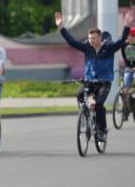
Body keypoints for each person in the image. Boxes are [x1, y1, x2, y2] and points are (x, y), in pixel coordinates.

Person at [55, 12, 132, 140]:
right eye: (89, 38)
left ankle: (102, 131)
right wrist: (61, 26)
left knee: (99, 104)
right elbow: (72, 41)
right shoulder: (87, 47)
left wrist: (127, 25)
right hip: (89, 81)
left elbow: (121, 40)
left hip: (104, 82)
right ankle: (85, 115)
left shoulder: (109, 48)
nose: (91, 41)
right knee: (80, 95)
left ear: (100, 38)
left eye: (94, 38)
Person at [120, 28, 135, 113]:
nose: (127, 38)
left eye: (128, 36)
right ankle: (125, 109)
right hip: (128, 68)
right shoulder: (124, 45)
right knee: (124, 89)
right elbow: (124, 57)